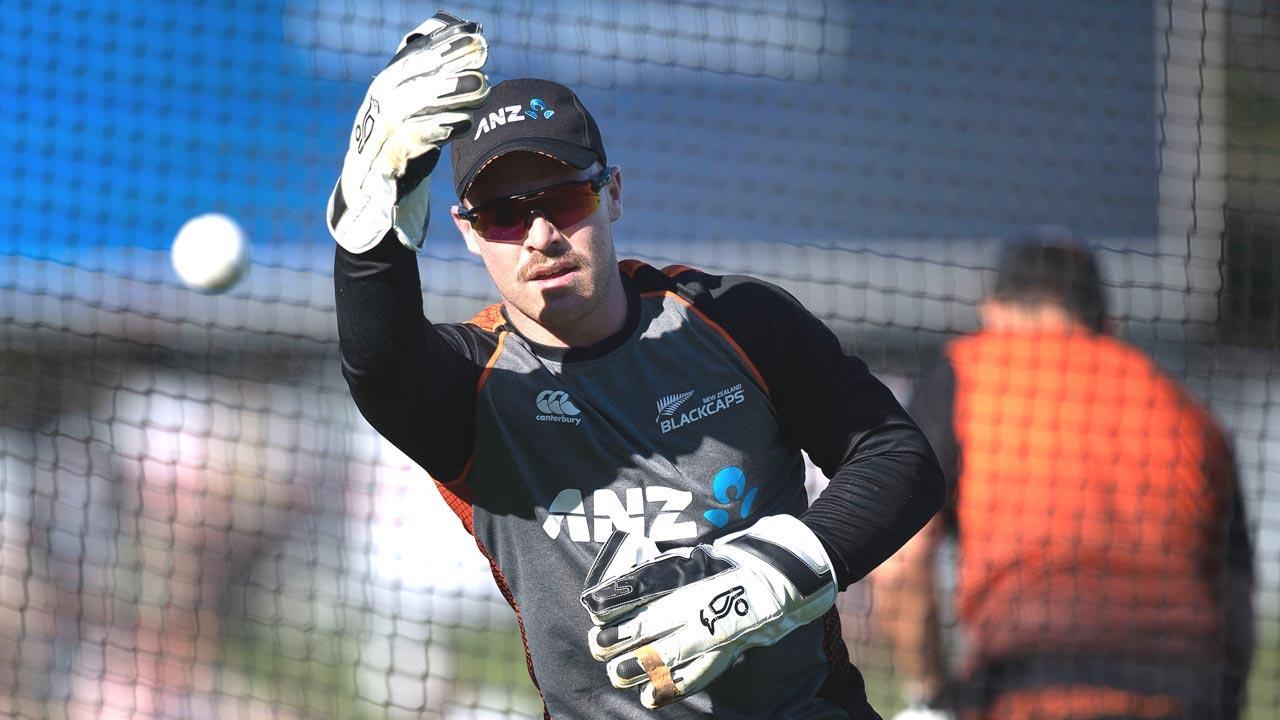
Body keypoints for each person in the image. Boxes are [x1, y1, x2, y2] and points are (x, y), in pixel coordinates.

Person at [327, 11, 944, 719]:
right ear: (468, 234)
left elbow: (899, 459)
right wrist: (371, 217)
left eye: (565, 198)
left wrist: (777, 573)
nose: (540, 235)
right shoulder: (471, 385)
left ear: (613, 194)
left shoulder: (737, 319)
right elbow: (378, 365)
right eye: (503, 214)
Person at [874, 229, 1255, 720]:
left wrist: (931, 691)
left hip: (1030, 686)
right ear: (1109, 323)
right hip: (1184, 695)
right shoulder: (1191, 417)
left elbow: (903, 563)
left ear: (992, 312)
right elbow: (1236, 614)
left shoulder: (966, 373)